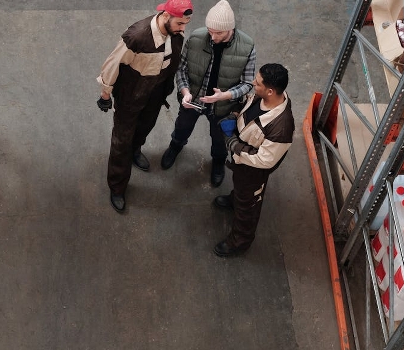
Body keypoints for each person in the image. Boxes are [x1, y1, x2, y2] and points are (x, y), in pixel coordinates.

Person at [96, 0, 193, 213]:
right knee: (122, 141)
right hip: (131, 95)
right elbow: (113, 64)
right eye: (180, 23)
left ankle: (135, 150)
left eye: (185, 24)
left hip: (156, 91)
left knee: (145, 126)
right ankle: (117, 186)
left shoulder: (175, 33)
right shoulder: (137, 37)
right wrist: (105, 94)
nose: (183, 29)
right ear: (166, 16)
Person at [160, 0, 256, 188]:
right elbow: (181, 69)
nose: (212, 37)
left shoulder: (247, 47)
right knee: (182, 127)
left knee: (220, 139)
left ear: (231, 29)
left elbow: (247, 83)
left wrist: (225, 96)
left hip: (224, 106)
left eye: (218, 32)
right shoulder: (196, 38)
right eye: (210, 30)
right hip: (194, 99)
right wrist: (185, 92)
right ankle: (175, 146)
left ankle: (218, 162)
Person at [213, 63, 294, 257]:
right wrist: (234, 115)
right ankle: (235, 199)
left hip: (254, 171)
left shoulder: (282, 127)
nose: (252, 84)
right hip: (242, 162)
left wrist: (234, 145)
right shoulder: (260, 96)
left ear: (271, 91)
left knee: (248, 206)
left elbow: (265, 160)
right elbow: (247, 109)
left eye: (257, 83)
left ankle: (239, 242)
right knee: (240, 189)